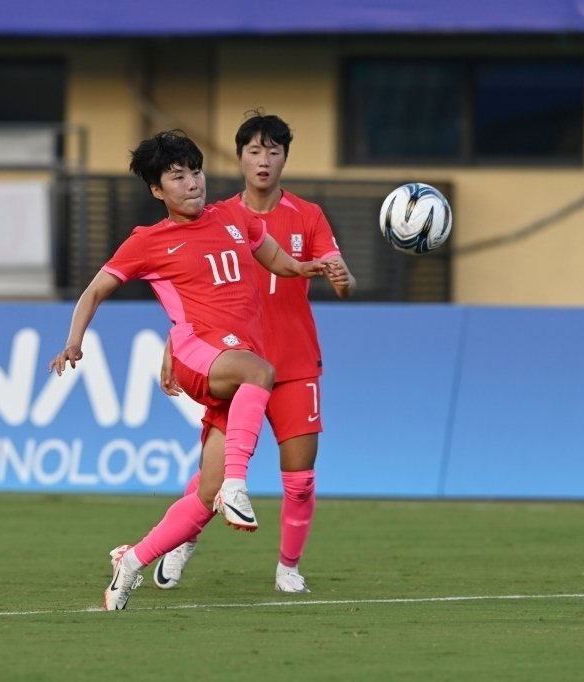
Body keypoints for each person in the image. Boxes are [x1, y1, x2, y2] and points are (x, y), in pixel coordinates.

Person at [48, 129, 327, 610]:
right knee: (261, 372)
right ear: (158, 190)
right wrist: (74, 340)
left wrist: (304, 269)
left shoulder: (234, 215)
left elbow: (272, 256)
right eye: (177, 177)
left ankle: (131, 563)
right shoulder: (148, 242)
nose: (192, 183)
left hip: (233, 360)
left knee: (202, 496)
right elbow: (94, 291)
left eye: (195, 172)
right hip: (199, 355)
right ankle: (238, 487)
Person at [150, 112, 356, 594]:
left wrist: (341, 279)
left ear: (285, 158)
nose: (264, 161)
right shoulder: (215, 215)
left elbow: (337, 274)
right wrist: (171, 347)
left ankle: (288, 568)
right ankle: (179, 547)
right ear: (239, 157)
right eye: (254, 151)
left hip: (294, 361)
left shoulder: (309, 216)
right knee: (212, 476)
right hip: (234, 361)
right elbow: (192, 294)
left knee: (300, 479)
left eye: (274, 151)